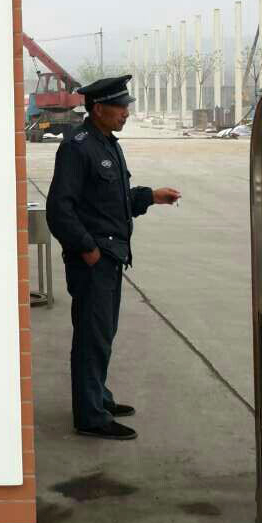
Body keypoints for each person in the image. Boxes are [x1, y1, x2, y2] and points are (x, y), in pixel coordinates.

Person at [46, 75, 180, 440]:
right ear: (99, 108)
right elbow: (59, 210)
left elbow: (112, 202)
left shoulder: (107, 145)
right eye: (120, 107)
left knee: (102, 333)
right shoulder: (77, 148)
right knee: (92, 336)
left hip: (111, 257)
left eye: (126, 106)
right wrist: (87, 249)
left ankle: (98, 398)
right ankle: (90, 416)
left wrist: (151, 196)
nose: (126, 113)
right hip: (94, 260)